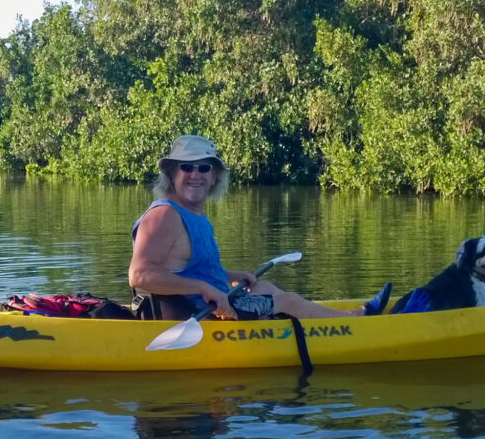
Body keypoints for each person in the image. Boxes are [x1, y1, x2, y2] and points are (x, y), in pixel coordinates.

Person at [129, 134, 391, 321]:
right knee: (287, 302)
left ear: (213, 176)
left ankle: (329, 318)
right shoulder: (165, 215)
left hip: (210, 305)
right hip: (195, 316)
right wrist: (204, 288)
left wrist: (230, 274)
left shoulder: (192, 214)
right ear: (173, 174)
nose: (195, 174)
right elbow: (139, 275)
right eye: (186, 167)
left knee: (264, 289)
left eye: (204, 167)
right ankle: (356, 320)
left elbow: (185, 266)